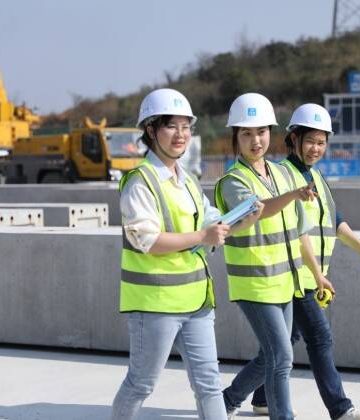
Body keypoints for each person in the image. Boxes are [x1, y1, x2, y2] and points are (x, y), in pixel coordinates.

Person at [110, 88, 262, 420]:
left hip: (196, 302)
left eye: (186, 127)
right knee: (141, 383)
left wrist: (241, 220)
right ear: (151, 130)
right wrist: (203, 235)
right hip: (155, 305)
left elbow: (212, 224)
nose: (181, 135)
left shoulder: (188, 180)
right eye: (171, 126)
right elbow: (147, 240)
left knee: (209, 384)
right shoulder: (140, 181)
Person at [249, 103, 360, 420]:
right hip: (295, 273)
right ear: (294, 138)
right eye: (310, 141)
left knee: (283, 342)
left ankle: (255, 397)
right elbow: (292, 228)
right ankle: (340, 408)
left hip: (313, 274)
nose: (316, 148)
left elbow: (334, 220)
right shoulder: (284, 175)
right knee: (320, 338)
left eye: (322, 142)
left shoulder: (317, 177)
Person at [215, 93, 333, 420]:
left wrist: (317, 275)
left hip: (284, 283)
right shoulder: (232, 181)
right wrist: (293, 194)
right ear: (235, 136)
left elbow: (300, 231)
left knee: (272, 356)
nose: (256, 141)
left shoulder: (281, 175)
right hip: (255, 286)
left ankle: (226, 401)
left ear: (271, 133)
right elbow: (258, 210)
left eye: (262, 132)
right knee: (281, 358)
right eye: (247, 133)